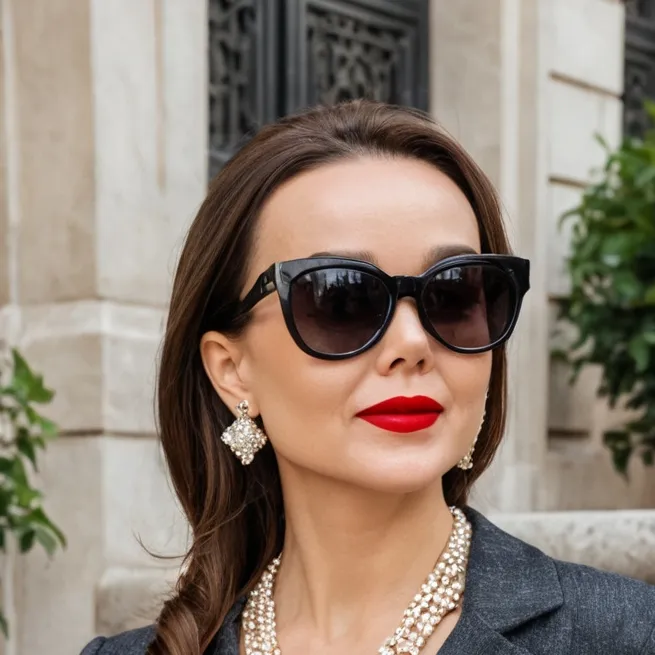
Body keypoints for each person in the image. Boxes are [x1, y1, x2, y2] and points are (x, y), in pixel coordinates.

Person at [81, 100, 655, 655]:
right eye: (342, 300)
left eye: (453, 294)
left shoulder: (626, 636)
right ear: (232, 371)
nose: (411, 344)